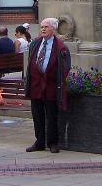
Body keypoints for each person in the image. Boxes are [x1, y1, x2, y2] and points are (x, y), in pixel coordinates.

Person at [25, 17, 71, 154]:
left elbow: (66, 66)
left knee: (51, 116)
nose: (43, 29)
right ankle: (39, 142)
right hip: (36, 85)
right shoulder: (35, 43)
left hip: (51, 86)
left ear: (53, 29)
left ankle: (52, 143)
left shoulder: (61, 47)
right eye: (42, 27)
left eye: (46, 27)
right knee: (37, 115)